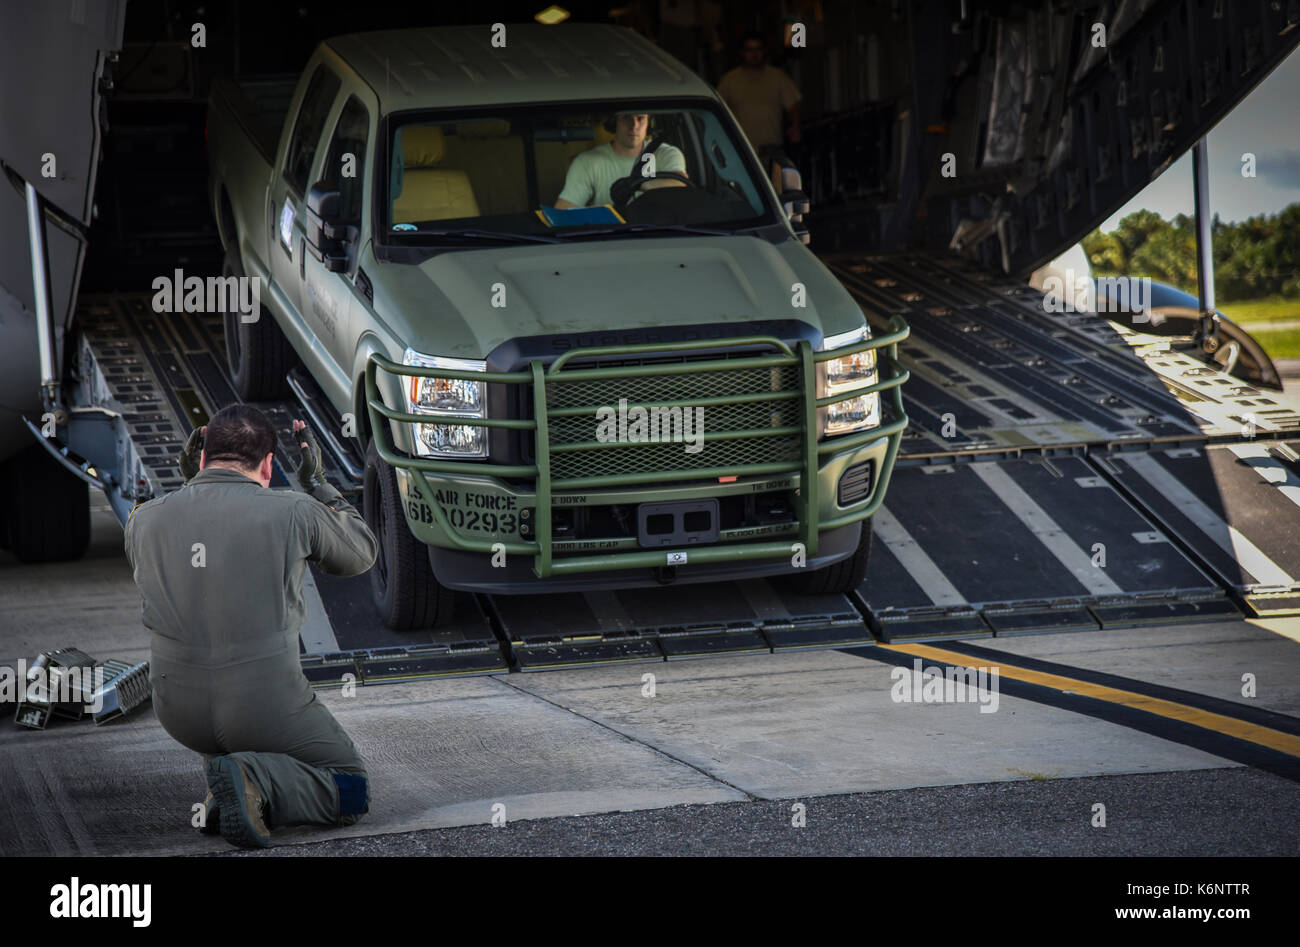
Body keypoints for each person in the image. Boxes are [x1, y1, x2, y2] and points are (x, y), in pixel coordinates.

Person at [124, 405, 378, 848]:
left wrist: (189, 486)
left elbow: (197, 538)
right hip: (264, 706)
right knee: (350, 786)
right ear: (267, 464)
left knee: (226, 729)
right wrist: (319, 485)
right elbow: (361, 554)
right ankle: (252, 778)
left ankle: (234, 786)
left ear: (201, 459)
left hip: (178, 712)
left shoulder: (142, 519)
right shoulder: (295, 509)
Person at [554, 111, 688, 209]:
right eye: (626, 117)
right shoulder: (587, 162)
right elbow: (563, 209)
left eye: (640, 118)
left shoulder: (666, 153)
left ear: (649, 123)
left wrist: (635, 184)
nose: (634, 126)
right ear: (614, 122)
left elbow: (680, 185)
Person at [716, 30, 802, 163]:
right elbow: (718, 111)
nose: (754, 54)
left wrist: (795, 126)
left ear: (764, 51)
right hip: (741, 150)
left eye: (758, 49)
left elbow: (792, 105)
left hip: (772, 150)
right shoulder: (729, 81)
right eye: (749, 50)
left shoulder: (777, 77)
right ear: (741, 52)